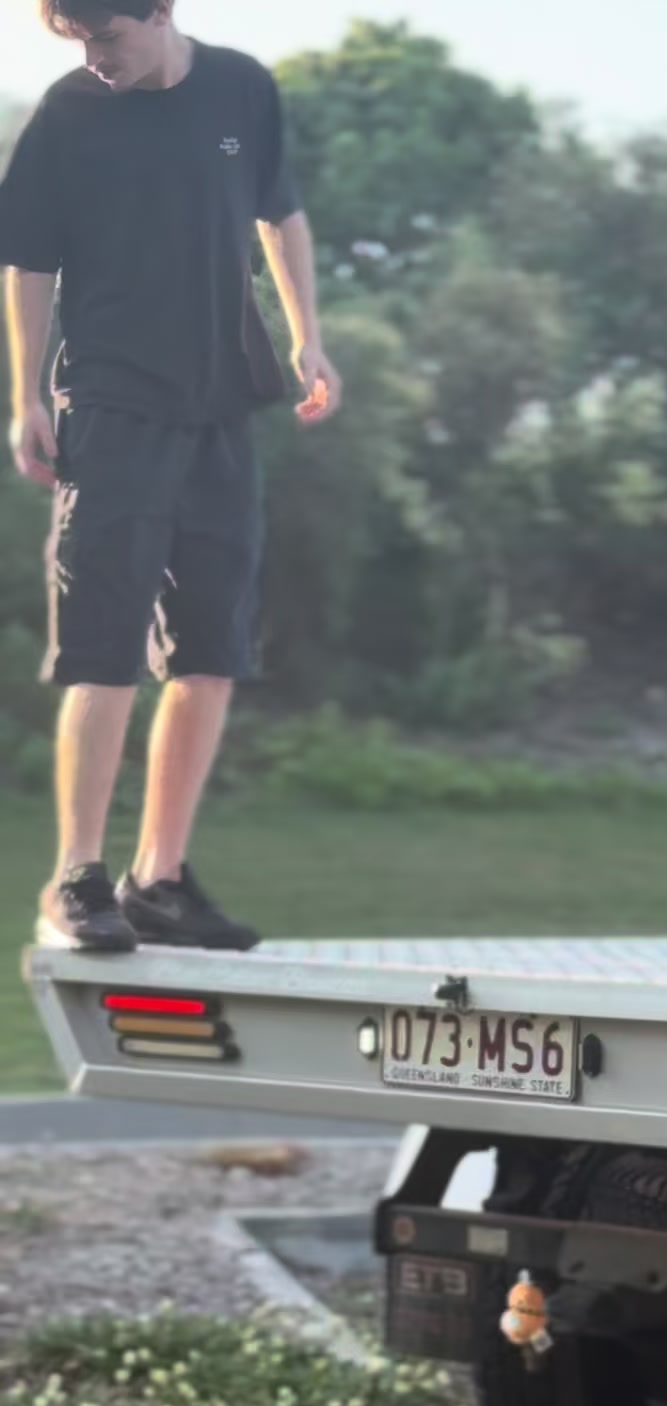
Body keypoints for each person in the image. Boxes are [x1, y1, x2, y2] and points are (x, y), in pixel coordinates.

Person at [0, 0, 342, 952]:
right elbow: (25, 261)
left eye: (106, 36)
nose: (93, 57)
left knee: (210, 654)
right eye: (77, 41)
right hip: (112, 406)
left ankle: (159, 880)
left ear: (158, 12)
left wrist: (308, 337)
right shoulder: (70, 114)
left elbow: (281, 213)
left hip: (222, 406)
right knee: (103, 648)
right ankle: (77, 876)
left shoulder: (241, 88)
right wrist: (25, 395)